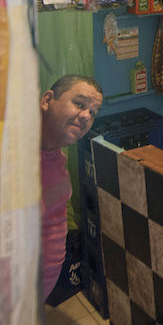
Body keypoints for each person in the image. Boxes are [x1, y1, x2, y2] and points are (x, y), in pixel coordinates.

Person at [40, 74, 103, 301]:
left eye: (93, 113)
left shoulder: (57, 158)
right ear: (47, 100)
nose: (86, 116)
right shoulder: (12, 156)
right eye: (79, 104)